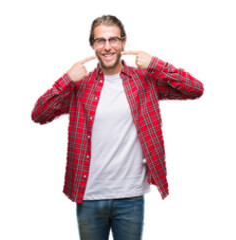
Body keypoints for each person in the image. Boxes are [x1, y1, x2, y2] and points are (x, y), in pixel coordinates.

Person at [30, 15, 204, 240]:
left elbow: (195, 89)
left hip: (130, 196)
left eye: (113, 39)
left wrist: (156, 64)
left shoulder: (144, 80)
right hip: (89, 194)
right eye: (100, 41)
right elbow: (39, 114)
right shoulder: (80, 86)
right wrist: (66, 80)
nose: (107, 47)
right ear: (92, 45)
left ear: (123, 42)